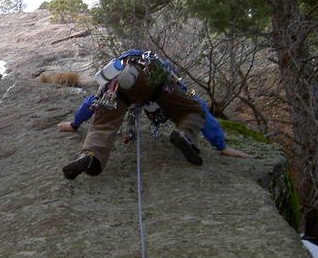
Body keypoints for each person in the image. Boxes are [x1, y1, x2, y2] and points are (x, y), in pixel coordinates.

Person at [61, 50, 248, 180]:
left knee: (103, 125)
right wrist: (221, 145)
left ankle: (90, 156)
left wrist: (75, 124)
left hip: (119, 88)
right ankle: (185, 135)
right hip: (154, 80)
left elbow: (92, 103)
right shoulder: (162, 66)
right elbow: (196, 103)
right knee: (191, 110)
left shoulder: (115, 71)